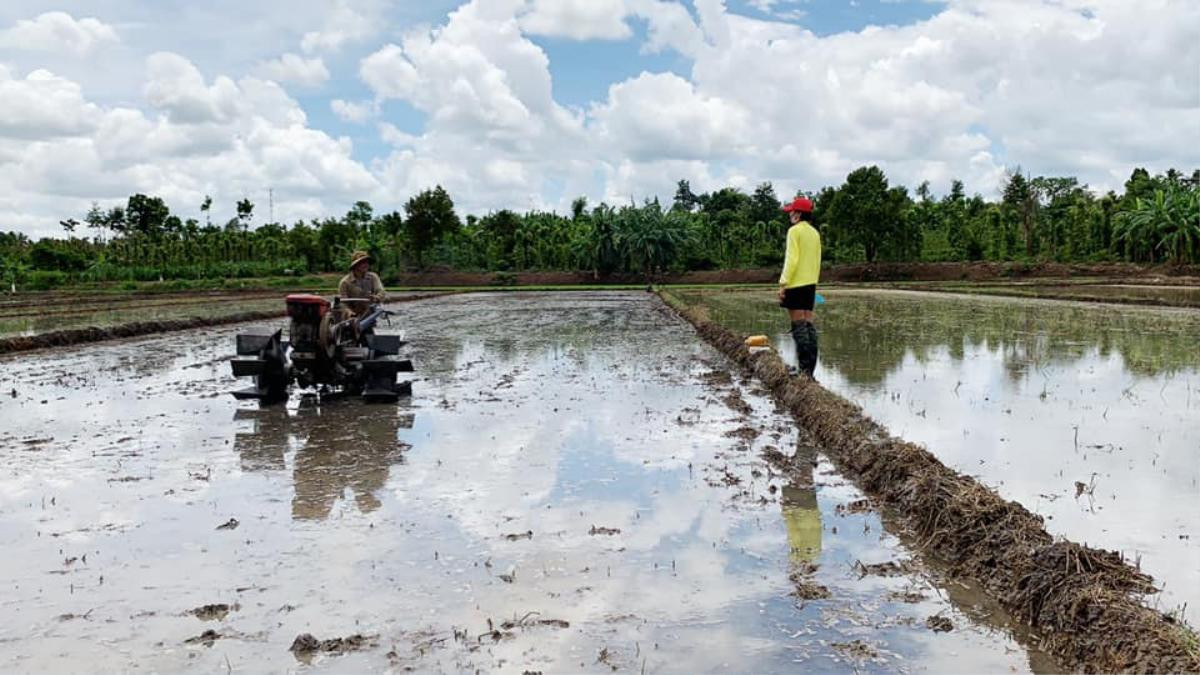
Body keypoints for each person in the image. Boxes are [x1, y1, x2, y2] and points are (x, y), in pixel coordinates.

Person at [778, 196, 821, 378]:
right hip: (810, 284)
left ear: (798, 214)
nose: (790, 215)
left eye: (792, 212)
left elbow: (792, 259)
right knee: (809, 325)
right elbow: (817, 260)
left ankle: (803, 371)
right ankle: (809, 370)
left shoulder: (794, 231)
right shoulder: (814, 233)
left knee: (798, 326)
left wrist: (783, 283)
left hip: (796, 283)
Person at [338, 250, 387, 316]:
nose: (366, 265)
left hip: (369, 313)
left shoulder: (373, 277)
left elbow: (381, 291)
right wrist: (349, 312)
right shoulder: (345, 282)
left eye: (367, 262)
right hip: (352, 315)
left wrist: (376, 297)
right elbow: (343, 303)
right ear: (355, 265)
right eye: (362, 262)